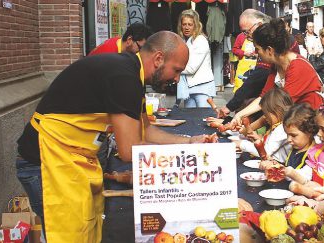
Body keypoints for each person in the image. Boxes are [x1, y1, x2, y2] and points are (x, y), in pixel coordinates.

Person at [15, 31, 212, 242]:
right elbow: (128, 150)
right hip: (46, 160)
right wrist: (181, 159)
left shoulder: (133, 75)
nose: (176, 78)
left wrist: (189, 143)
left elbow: (147, 130)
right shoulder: (123, 77)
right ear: (158, 59)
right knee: (67, 235)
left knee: (86, 229)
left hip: (72, 158)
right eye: (177, 70)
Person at [231, 18, 324, 124]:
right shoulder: (276, 66)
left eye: (257, 49)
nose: (256, 53)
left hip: (311, 123)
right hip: (296, 119)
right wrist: (240, 115)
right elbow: (264, 97)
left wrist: (249, 128)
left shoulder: (298, 67)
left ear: (269, 50)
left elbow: (279, 108)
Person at [216, 9, 273, 118]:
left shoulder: (269, 44)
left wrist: (232, 108)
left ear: (259, 25)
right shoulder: (267, 41)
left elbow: (256, 80)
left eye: (247, 31)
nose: (246, 36)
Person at [235, 87, 292, 163]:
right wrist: (259, 139)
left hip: (278, 163)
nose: (264, 117)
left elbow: (266, 152)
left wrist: (242, 144)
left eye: (266, 113)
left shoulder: (281, 129)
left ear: (277, 110)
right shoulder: (278, 125)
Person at [177, 9, 215, 108]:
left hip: (202, 88)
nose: (186, 27)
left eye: (190, 24)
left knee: (204, 120)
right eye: (184, 24)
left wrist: (172, 69)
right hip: (188, 89)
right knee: (190, 121)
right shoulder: (184, 41)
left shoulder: (200, 41)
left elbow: (191, 68)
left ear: (196, 25)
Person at [88, 23, 153, 55]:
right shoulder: (109, 54)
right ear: (129, 40)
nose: (140, 52)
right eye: (140, 47)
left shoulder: (118, 41)